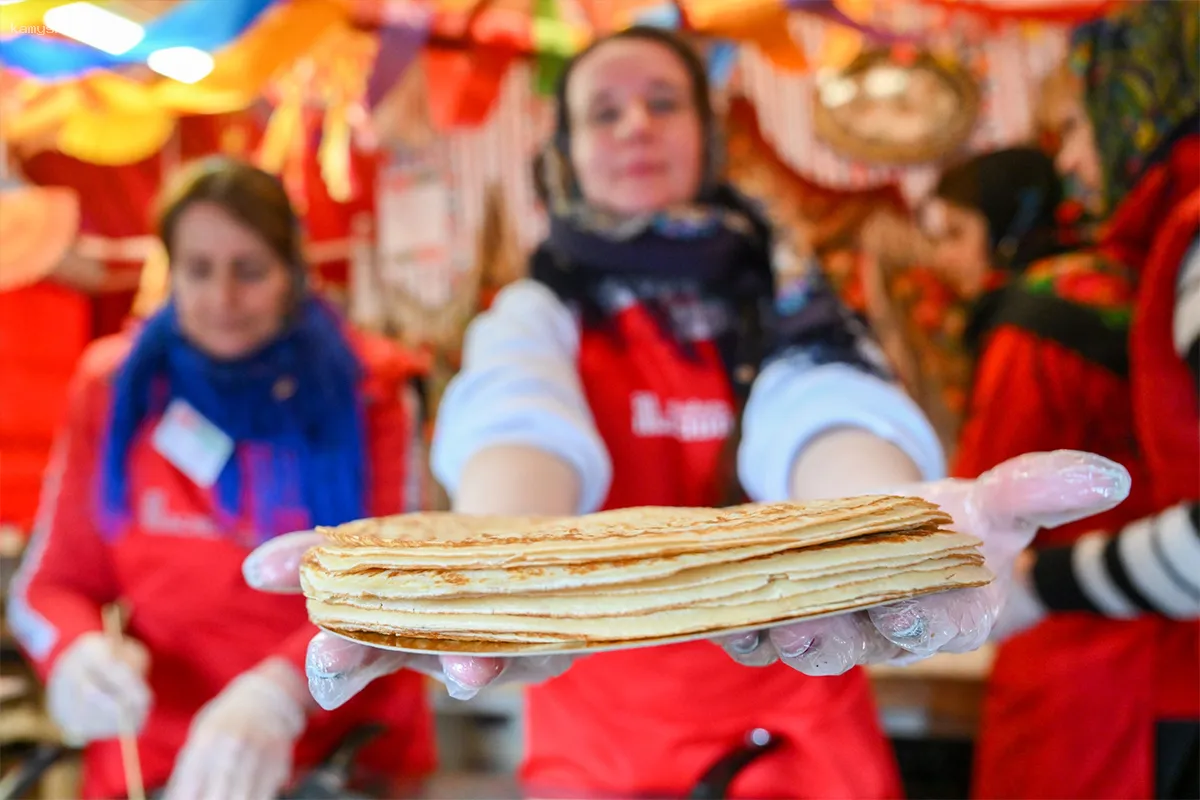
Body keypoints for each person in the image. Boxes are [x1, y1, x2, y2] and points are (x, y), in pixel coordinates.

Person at [244, 27, 1130, 799]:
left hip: (796, 732)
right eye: (605, 112)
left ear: (706, 137)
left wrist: (897, 532)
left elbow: (822, 407)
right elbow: (520, 424)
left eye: (663, 103)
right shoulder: (536, 312)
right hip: (597, 746)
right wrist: (495, 572)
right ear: (568, 153)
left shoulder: (787, 297)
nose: (636, 126)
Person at [6, 157, 435, 800]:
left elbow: (397, 588)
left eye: (250, 271)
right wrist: (74, 654)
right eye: (198, 270)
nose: (222, 299)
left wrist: (281, 692)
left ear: (293, 273)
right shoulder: (116, 390)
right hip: (153, 766)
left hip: (334, 760)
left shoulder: (370, 392)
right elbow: (50, 586)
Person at [968, 3, 1200, 798]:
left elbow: (983, 498)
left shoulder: (1061, 304)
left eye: (1073, 125)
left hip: (1094, 676)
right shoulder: (1152, 264)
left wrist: (1036, 586)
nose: (1068, 160)